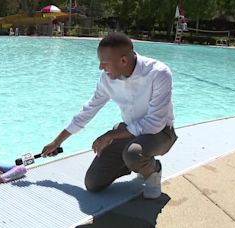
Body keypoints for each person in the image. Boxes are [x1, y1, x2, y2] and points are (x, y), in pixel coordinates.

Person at [41, 32, 177, 199]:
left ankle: (153, 170)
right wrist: (57, 141)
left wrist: (111, 135)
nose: (100, 67)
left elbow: (154, 123)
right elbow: (88, 110)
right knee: (93, 183)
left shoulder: (159, 73)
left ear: (124, 61)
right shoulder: (107, 78)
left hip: (161, 133)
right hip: (128, 131)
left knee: (134, 154)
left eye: (104, 63)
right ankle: (132, 163)